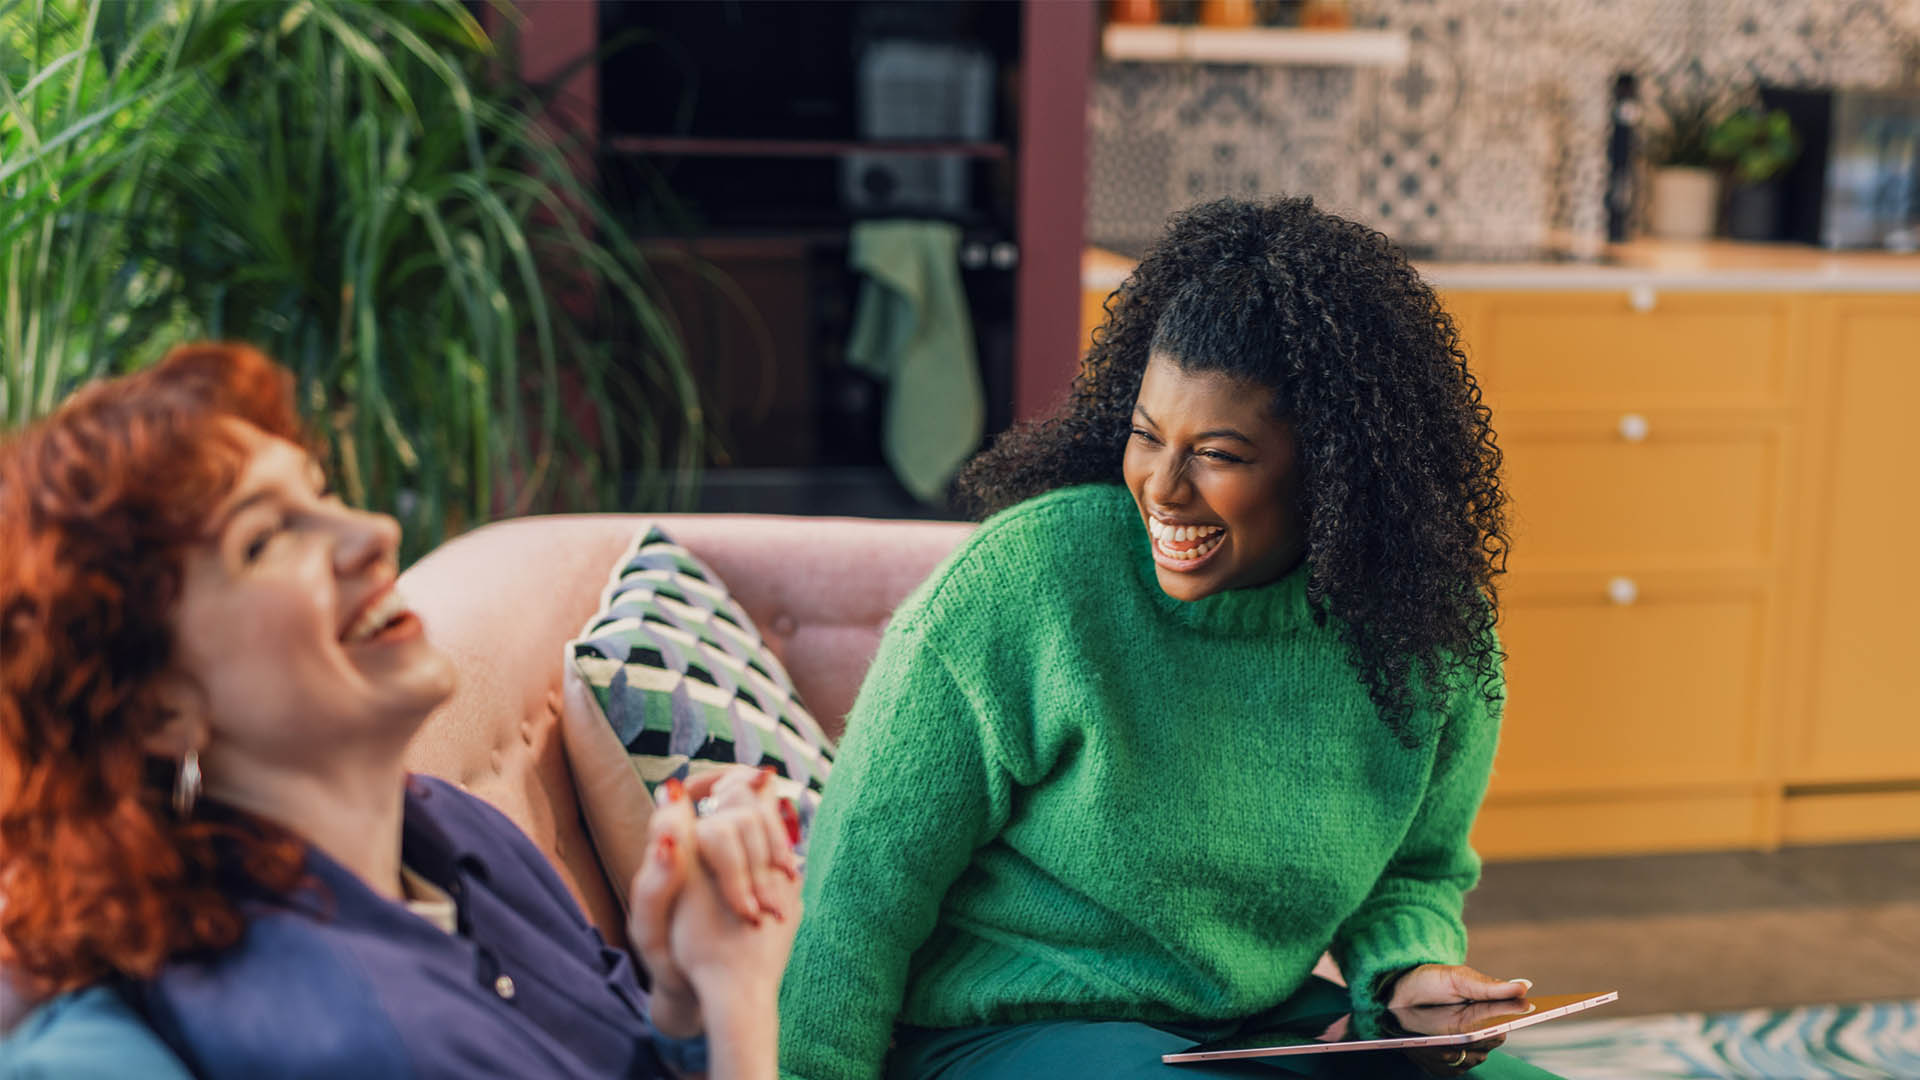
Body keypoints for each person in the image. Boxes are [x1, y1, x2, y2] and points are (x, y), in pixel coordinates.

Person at [778, 197, 1562, 1079]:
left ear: (1337, 468)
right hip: (1005, 1028)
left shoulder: (1424, 631)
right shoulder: (1026, 585)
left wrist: (1410, 973)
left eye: (1218, 454)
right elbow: (856, 895)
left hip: (1252, 1025)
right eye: (1146, 436)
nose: (1162, 487)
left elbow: (1415, 871)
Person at [0, 344, 800, 1079]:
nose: (374, 532)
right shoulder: (339, 1038)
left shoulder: (448, 826)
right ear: (156, 711)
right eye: (265, 540)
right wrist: (739, 1000)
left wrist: (683, 995)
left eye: (320, 493)